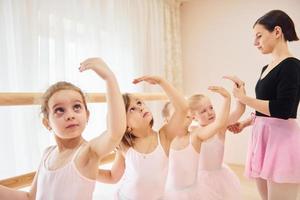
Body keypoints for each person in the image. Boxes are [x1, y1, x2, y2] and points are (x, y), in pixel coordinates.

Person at [0, 57, 126, 200]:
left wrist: (109, 78)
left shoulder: (86, 153)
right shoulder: (47, 154)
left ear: (87, 115)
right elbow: (30, 197)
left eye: (77, 107)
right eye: (60, 110)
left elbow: (115, 133)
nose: (70, 115)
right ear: (47, 123)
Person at [225, 9, 300, 200]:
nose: (254, 43)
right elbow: (266, 110)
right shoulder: (266, 67)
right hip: (262, 138)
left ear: (277, 32)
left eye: (259, 36)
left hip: (281, 142)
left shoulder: (292, 65)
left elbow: (283, 110)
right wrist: (245, 123)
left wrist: (244, 98)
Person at [96, 76, 189, 200]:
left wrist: (161, 82)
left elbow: (183, 108)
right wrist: (88, 171)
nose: (140, 107)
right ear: (126, 125)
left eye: (139, 102)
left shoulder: (164, 137)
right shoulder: (125, 147)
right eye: (132, 109)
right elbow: (112, 177)